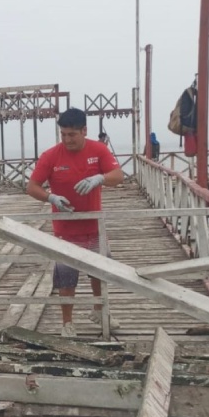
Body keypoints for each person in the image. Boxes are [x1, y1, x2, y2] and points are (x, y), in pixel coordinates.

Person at [27, 108, 125, 337]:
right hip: (65, 230)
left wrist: (100, 177)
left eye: (72, 134)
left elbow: (118, 175)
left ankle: (100, 312)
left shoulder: (98, 149)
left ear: (84, 131)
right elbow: (32, 187)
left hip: (93, 226)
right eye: (63, 135)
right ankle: (67, 323)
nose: (67, 140)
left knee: (100, 272)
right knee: (66, 277)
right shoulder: (51, 156)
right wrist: (50, 197)